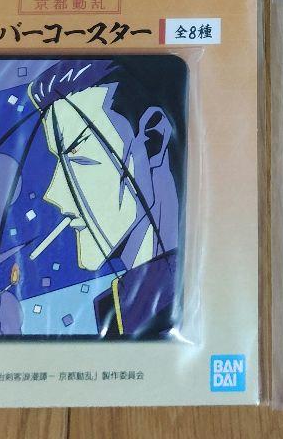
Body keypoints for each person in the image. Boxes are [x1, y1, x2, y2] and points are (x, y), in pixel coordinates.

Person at [28, 60, 182, 338]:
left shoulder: (181, 304)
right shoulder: (123, 310)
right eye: (59, 160)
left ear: (152, 140)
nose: (53, 194)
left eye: (78, 157)